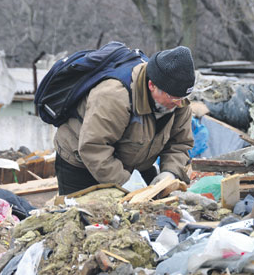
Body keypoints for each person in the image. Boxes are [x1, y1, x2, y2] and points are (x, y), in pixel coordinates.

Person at [53, 45, 196, 195]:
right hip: (82, 163)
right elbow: (94, 146)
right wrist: (127, 183)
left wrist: (169, 172)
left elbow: (179, 143)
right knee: (86, 215)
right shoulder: (114, 96)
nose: (179, 103)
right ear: (152, 85)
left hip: (133, 161)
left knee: (148, 211)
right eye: (173, 98)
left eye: (182, 98)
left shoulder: (178, 98)